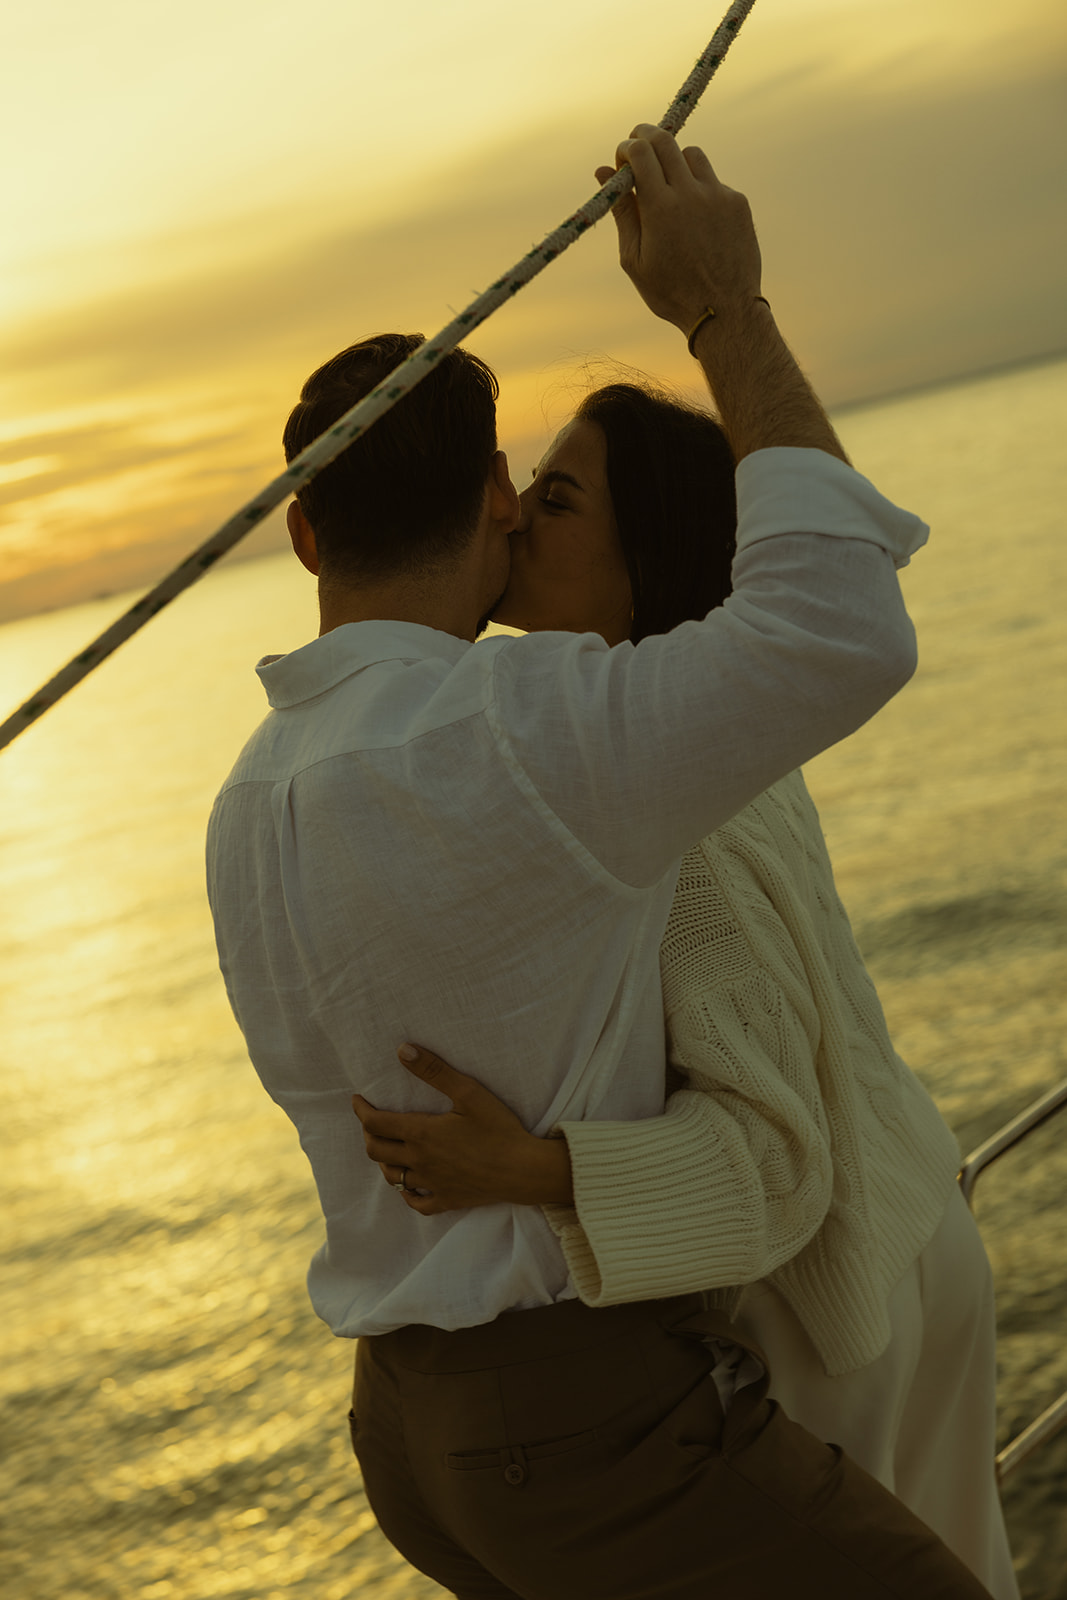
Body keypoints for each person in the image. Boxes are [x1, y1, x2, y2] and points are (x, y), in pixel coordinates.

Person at [206, 125, 995, 1597]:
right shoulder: (549, 742)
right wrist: (722, 310)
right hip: (590, 1405)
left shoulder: (247, 796)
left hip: (409, 1438)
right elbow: (836, 626)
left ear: (302, 533)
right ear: (491, 514)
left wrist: (540, 1167)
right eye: (536, 497)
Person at [351, 378, 1019, 1599]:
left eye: (554, 501)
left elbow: (775, 1146)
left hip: (831, 1309)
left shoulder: (656, 819)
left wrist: (535, 1171)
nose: (511, 522)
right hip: (911, 1229)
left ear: (641, 555)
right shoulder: (695, 732)